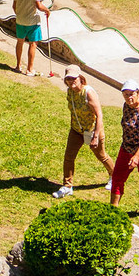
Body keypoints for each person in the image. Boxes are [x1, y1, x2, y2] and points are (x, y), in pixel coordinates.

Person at [52, 67, 107, 197]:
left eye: (74, 78)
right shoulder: (70, 92)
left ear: (80, 78)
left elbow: (99, 115)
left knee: (102, 156)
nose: (71, 81)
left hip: (92, 130)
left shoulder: (88, 93)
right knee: (69, 157)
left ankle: (113, 176)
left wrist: (95, 136)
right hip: (76, 130)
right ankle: (67, 186)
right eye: (68, 79)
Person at [109, 80, 139, 222]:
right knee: (117, 178)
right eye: (125, 95)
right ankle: (113, 210)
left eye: (131, 94)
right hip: (127, 148)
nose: (129, 97)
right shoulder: (126, 105)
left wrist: (137, 156)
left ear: (138, 93)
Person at [10, 0, 52, 74]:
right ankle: (29, 69)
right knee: (33, 44)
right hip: (33, 21)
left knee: (20, 42)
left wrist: (19, 14)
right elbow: (39, 5)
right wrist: (47, 10)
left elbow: (14, 6)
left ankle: (18, 66)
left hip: (20, 20)